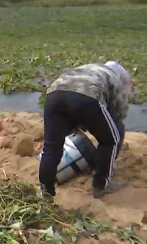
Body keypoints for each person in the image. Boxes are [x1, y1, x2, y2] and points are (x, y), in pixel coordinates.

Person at [39, 61, 133, 201]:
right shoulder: (115, 79)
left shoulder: (90, 68)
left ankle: (46, 193)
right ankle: (101, 186)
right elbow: (118, 117)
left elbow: (71, 99)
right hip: (86, 96)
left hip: (54, 95)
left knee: (52, 147)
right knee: (112, 139)